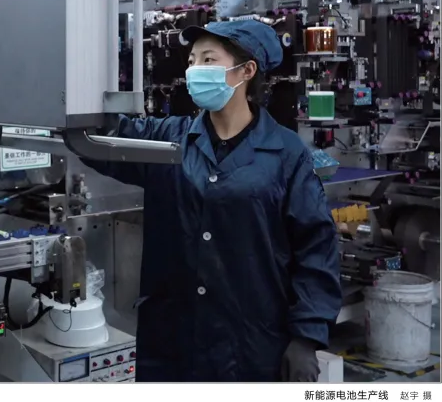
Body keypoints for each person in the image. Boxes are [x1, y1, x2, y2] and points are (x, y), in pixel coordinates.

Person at [83, 19, 341, 382]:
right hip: (173, 342)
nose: (194, 71)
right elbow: (100, 139)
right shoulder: (167, 140)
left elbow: (315, 247)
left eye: (208, 60)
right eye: (192, 61)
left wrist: (306, 337)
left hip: (251, 344)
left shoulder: (286, 153)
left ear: (246, 71)